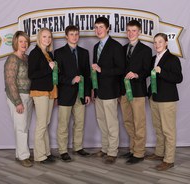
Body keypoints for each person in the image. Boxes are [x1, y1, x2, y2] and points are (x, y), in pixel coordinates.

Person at [145, 33, 183, 171]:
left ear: (166, 43)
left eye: (160, 42)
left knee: (168, 131)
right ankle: (159, 153)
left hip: (167, 100)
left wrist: (162, 72)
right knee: (158, 128)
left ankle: (169, 160)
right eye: (155, 42)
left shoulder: (172, 59)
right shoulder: (153, 58)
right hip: (154, 98)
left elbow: (178, 78)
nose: (157, 45)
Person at [54, 25, 91, 162]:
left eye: (76, 34)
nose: (74, 37)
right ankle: (63, 150)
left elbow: (87, 75)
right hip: (65, 93)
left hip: (80, 94)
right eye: (71, 34)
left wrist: (87, 93)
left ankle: (78, 147)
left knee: (79, 123)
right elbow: (57, 75)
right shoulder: (59, 53)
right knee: (63, 124)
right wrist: (71, 80)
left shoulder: (84, 52)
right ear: (66, 36)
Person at [92, 17, 125, 164]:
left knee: (111, 122)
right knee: (101, 121)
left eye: (101, 27)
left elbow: (120, 69)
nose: (98, 30)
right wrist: (94, 88)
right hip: (99, 91)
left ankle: (112, 151)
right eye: (96, 27)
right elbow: (94, 72)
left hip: (111, 91)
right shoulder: (95, 47)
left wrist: (102, 69)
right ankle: (105, 148)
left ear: (107, 29)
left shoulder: (116, 46)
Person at [120, 20, 152, 164]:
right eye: (128, 30)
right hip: (124, 92)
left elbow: (147, 71)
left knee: (139, 122)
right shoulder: (123, 48)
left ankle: (139, 153)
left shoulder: (145, 50)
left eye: (133, 30)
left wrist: (137, 74)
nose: (130, 33)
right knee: (127, 121)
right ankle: (133, 148)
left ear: (139, 32)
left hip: (138, 91)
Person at [28, 27, 57, 164]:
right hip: (39, 92)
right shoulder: (35, 53)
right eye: (44, 36)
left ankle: (46, 152)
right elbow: (31, 74)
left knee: (45, 123)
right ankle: (40, 156)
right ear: (39, 38)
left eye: (49, 37)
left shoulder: (48, 54)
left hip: (50, 92)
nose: (47, 39)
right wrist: (48, 68)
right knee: (41, 125)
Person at [4, 31, 33, 167]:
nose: (24, 44)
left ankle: (19, 154)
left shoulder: (26, 58)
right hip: (17, 97)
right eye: (21, 41)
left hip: (28, 95)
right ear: (15, 42)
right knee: (21, 127)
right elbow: (10, 82)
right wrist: (17, 102)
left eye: (26, 41)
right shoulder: (12, 59)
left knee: (25, 127)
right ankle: (23, 156)